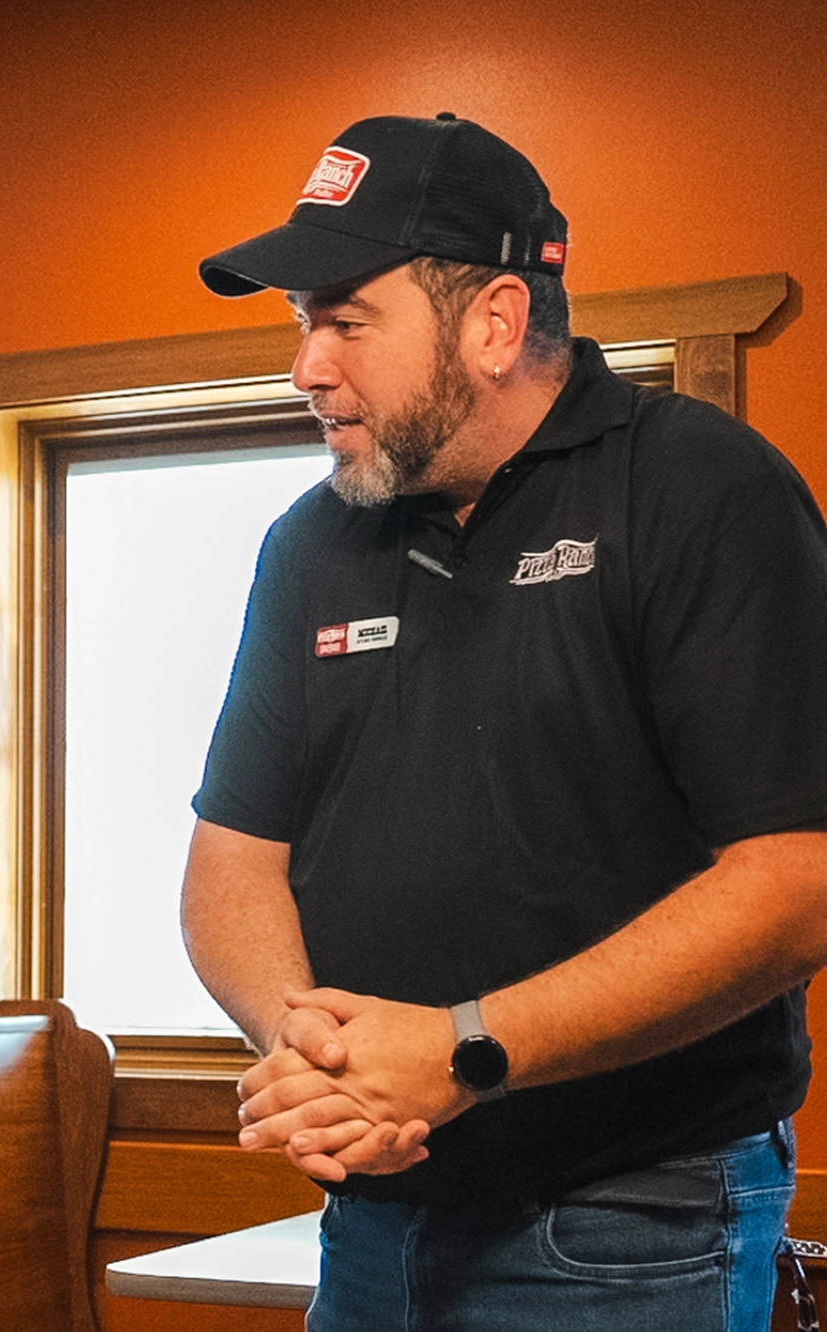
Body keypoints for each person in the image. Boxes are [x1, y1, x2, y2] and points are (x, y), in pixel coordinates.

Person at [181, 113, 827, 1331]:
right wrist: (309, 1051)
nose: (306, 366)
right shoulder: (311, 542)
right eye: (302, 324)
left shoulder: (698, 487)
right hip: (369, 1215)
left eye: (344, 321)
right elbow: (232, 860)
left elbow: (796, 883)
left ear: (492, 320)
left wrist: (465, 1051)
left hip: (625, 1221)